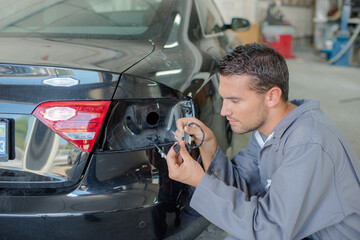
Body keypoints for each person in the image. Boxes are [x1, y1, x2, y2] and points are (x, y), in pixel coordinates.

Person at [165, 43, 360, 239]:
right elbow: (243, 188)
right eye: (224, 99)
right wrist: (208, 145)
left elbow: (268, 230)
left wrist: (199, 181)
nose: (224, 111)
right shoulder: (267, 132)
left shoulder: (308, 144)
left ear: (272, 97)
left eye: (234, 100)